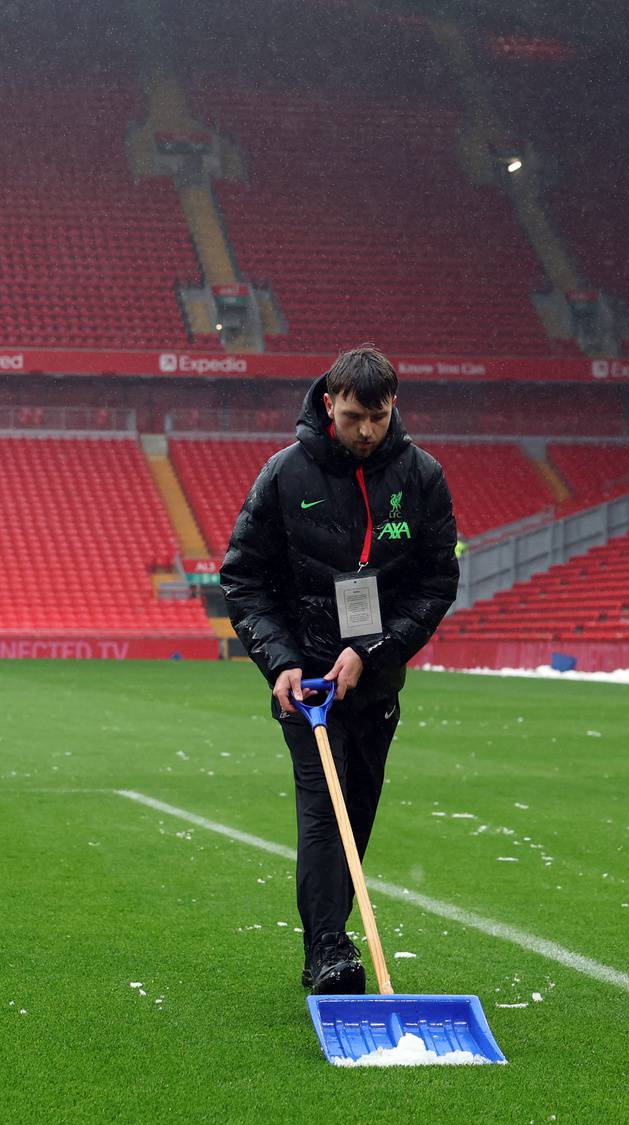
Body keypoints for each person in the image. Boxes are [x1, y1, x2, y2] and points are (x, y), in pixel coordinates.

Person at [221, 345, 458, 996]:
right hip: (308, 687)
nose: (365, 431)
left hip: (375, 681)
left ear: (394, 406)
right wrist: (283, 661)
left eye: (377, 418)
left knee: (356, 814)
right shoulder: (286, 474)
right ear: (329, 404)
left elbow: (437, 582)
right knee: (324, 812)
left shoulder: (422, 477)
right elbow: (243, 578)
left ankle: (332, 935)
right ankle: (326, 950)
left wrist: (374, 650)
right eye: (353, 416)